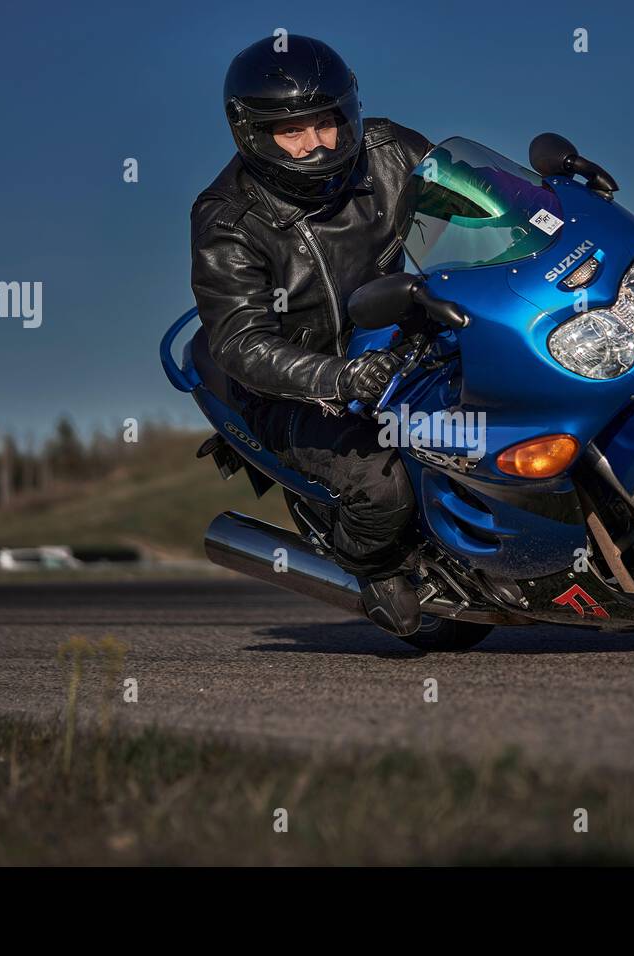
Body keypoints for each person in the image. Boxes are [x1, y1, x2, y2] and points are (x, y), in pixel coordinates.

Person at [190, 34, 433, 637]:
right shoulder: (229, 219)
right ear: (254, 135)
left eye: (325, 122)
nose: (316, 144)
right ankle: (369, 565)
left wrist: (549, 209)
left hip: (404, 345)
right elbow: (242, 342)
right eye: (291, 131)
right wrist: (337, 376)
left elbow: (478, 209)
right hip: (297, 387)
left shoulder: (391, 150)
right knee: (382, 483)